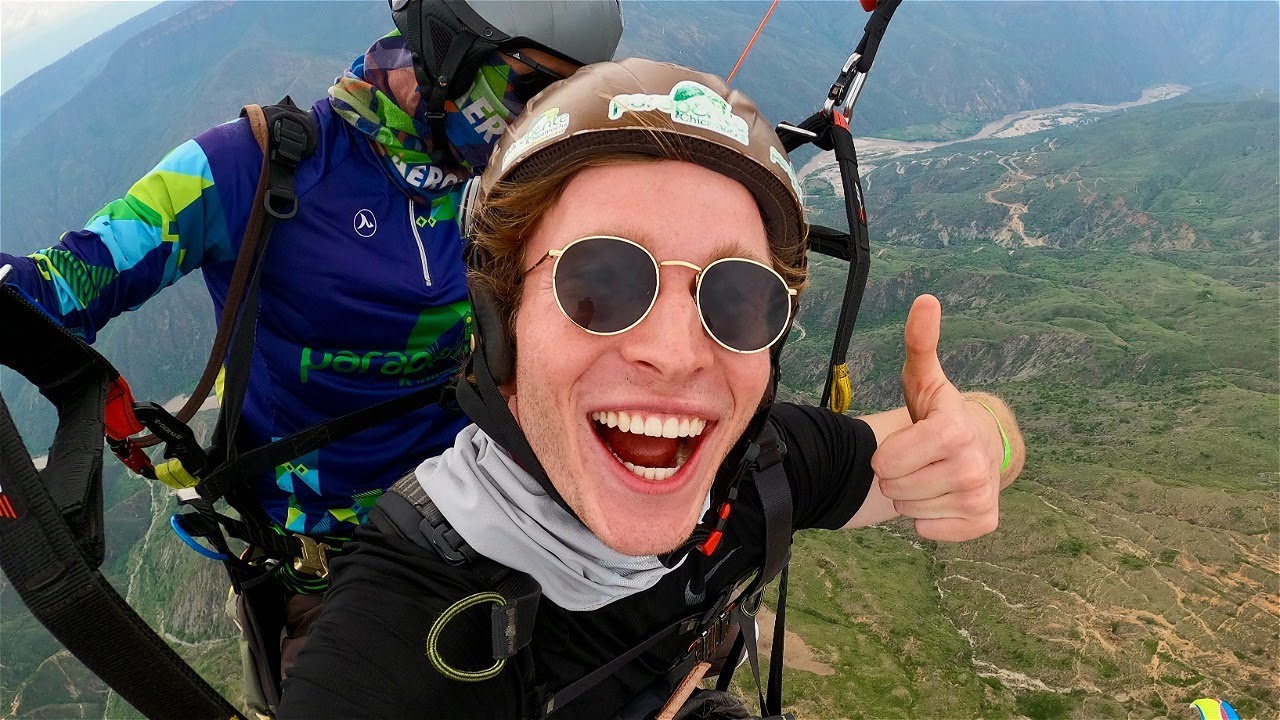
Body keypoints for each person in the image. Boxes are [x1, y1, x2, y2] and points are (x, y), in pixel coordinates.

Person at [276, 57, 1026, 720]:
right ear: (502, 325)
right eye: (599, 283)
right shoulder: (406, 631)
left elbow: (972, 437)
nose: (673, 354)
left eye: (735, 297)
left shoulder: (757, 470)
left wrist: (981, 444)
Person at [0, 0, 622, 713]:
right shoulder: (250, 166)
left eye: (566, 98)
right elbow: (60, 287)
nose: (544, 119)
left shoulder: (516, 185)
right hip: (335, 576)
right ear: (449, 53)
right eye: (528, 88)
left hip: (499, 516)